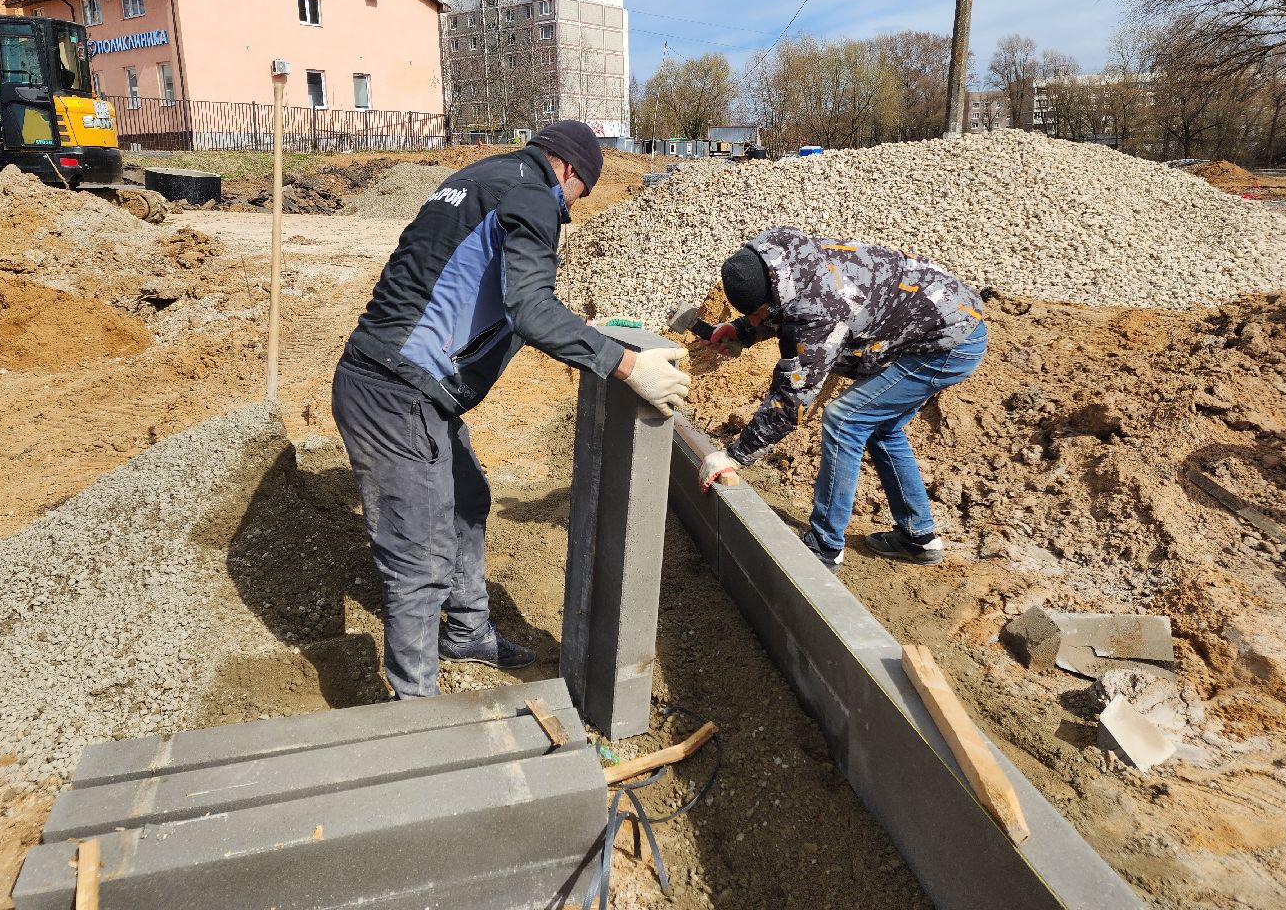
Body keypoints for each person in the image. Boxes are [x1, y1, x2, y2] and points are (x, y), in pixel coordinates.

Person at [332, 120, 690, 700]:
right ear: (570, 170)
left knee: (467, 497)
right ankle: (414, 716)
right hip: (397, 395)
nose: (573, 209)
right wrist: (629, 367)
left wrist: (591, 334)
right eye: (581, 195)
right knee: (416, 564)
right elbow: (529, 308)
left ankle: (469, 631)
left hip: (399, 380)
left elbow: (479, 287)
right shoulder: (535, 195)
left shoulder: (481, 177)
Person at [697, 227, 987, 567]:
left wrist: (736, 455)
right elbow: (787, 308)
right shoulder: (786, 259)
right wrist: (744, 329)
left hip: (950, 343)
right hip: (941, 317)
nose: (760, 318)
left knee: (844, 418)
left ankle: (825, 546)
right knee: (882, 427)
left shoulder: (823, 310)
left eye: (760, 313)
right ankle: (917, 537)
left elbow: (792, 400)